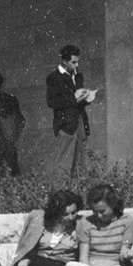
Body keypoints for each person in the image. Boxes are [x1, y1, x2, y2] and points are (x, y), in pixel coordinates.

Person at [46, 44, 94, 180]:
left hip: (80, 123)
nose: (77, 65)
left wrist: (86, 97)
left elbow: (78, 100)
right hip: (66, 126)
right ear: (64, 61)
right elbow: (52, 102)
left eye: (78, 61)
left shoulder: (78, 76)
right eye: (74, 62)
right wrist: (75, 97)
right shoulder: (54, 77)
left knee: (82, 165)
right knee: (64, 166)